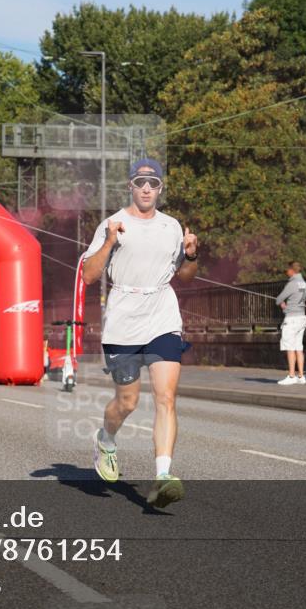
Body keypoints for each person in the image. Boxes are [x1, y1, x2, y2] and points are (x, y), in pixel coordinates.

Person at [81, 158, 198, 509]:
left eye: (153, 183)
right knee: (127, 402)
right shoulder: (112, 223)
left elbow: (186, 276)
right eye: (140, 182)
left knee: (166, 397)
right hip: (123, 318)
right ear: (130, 186)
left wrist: (192, 255)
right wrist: (109, 242)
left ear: (160, 188)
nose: (147, 189)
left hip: (162, 315)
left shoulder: (171, 226)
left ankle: (163, 475)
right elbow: (88, 275)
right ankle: (106, 439)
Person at [275, 261, 306, 385]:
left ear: (291, 270)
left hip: (292, 319)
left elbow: (279, 299)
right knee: (299, 348)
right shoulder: (304, 283)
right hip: (302, 317)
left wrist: (283, 305)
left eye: (287, 270)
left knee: (290, 347)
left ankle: (291, 375)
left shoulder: (292, 284)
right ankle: (301, 376)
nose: (286, 272)